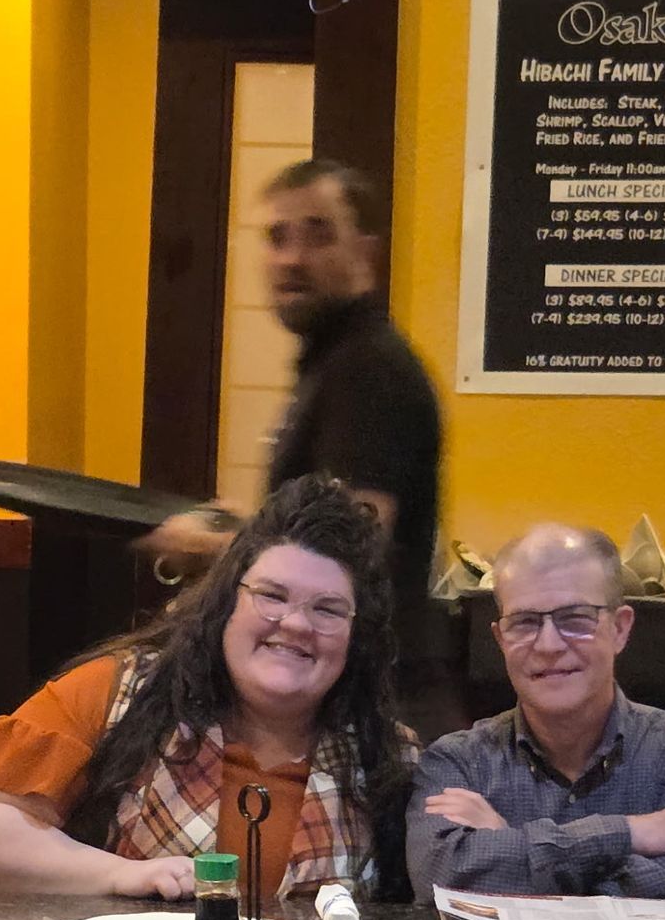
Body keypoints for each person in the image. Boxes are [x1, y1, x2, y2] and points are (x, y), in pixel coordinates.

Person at [0, 476, 418, 907]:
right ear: (228, 600)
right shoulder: (117, 693)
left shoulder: (390, 758)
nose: (294, 624)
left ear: (358, 637)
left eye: (328, 610)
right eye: (272, 596)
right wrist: (122, 875)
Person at [145, 158, 448, 735]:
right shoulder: (334, 361)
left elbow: (350, 542)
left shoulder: (369, 370)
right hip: (344, 690)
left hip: (373, 707)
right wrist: (237, 521)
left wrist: (212, 547)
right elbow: (309, 515)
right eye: (277, 238)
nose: (291, 258)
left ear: (367, 250)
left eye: (318, 234)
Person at [406, 524, 665, 903]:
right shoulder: (457, 762)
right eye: (524, 622)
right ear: (500, 640)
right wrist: (630, 833)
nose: (549, 644)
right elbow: (441, 875)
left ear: (620, 629)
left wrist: (512, 843)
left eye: (575, 618)